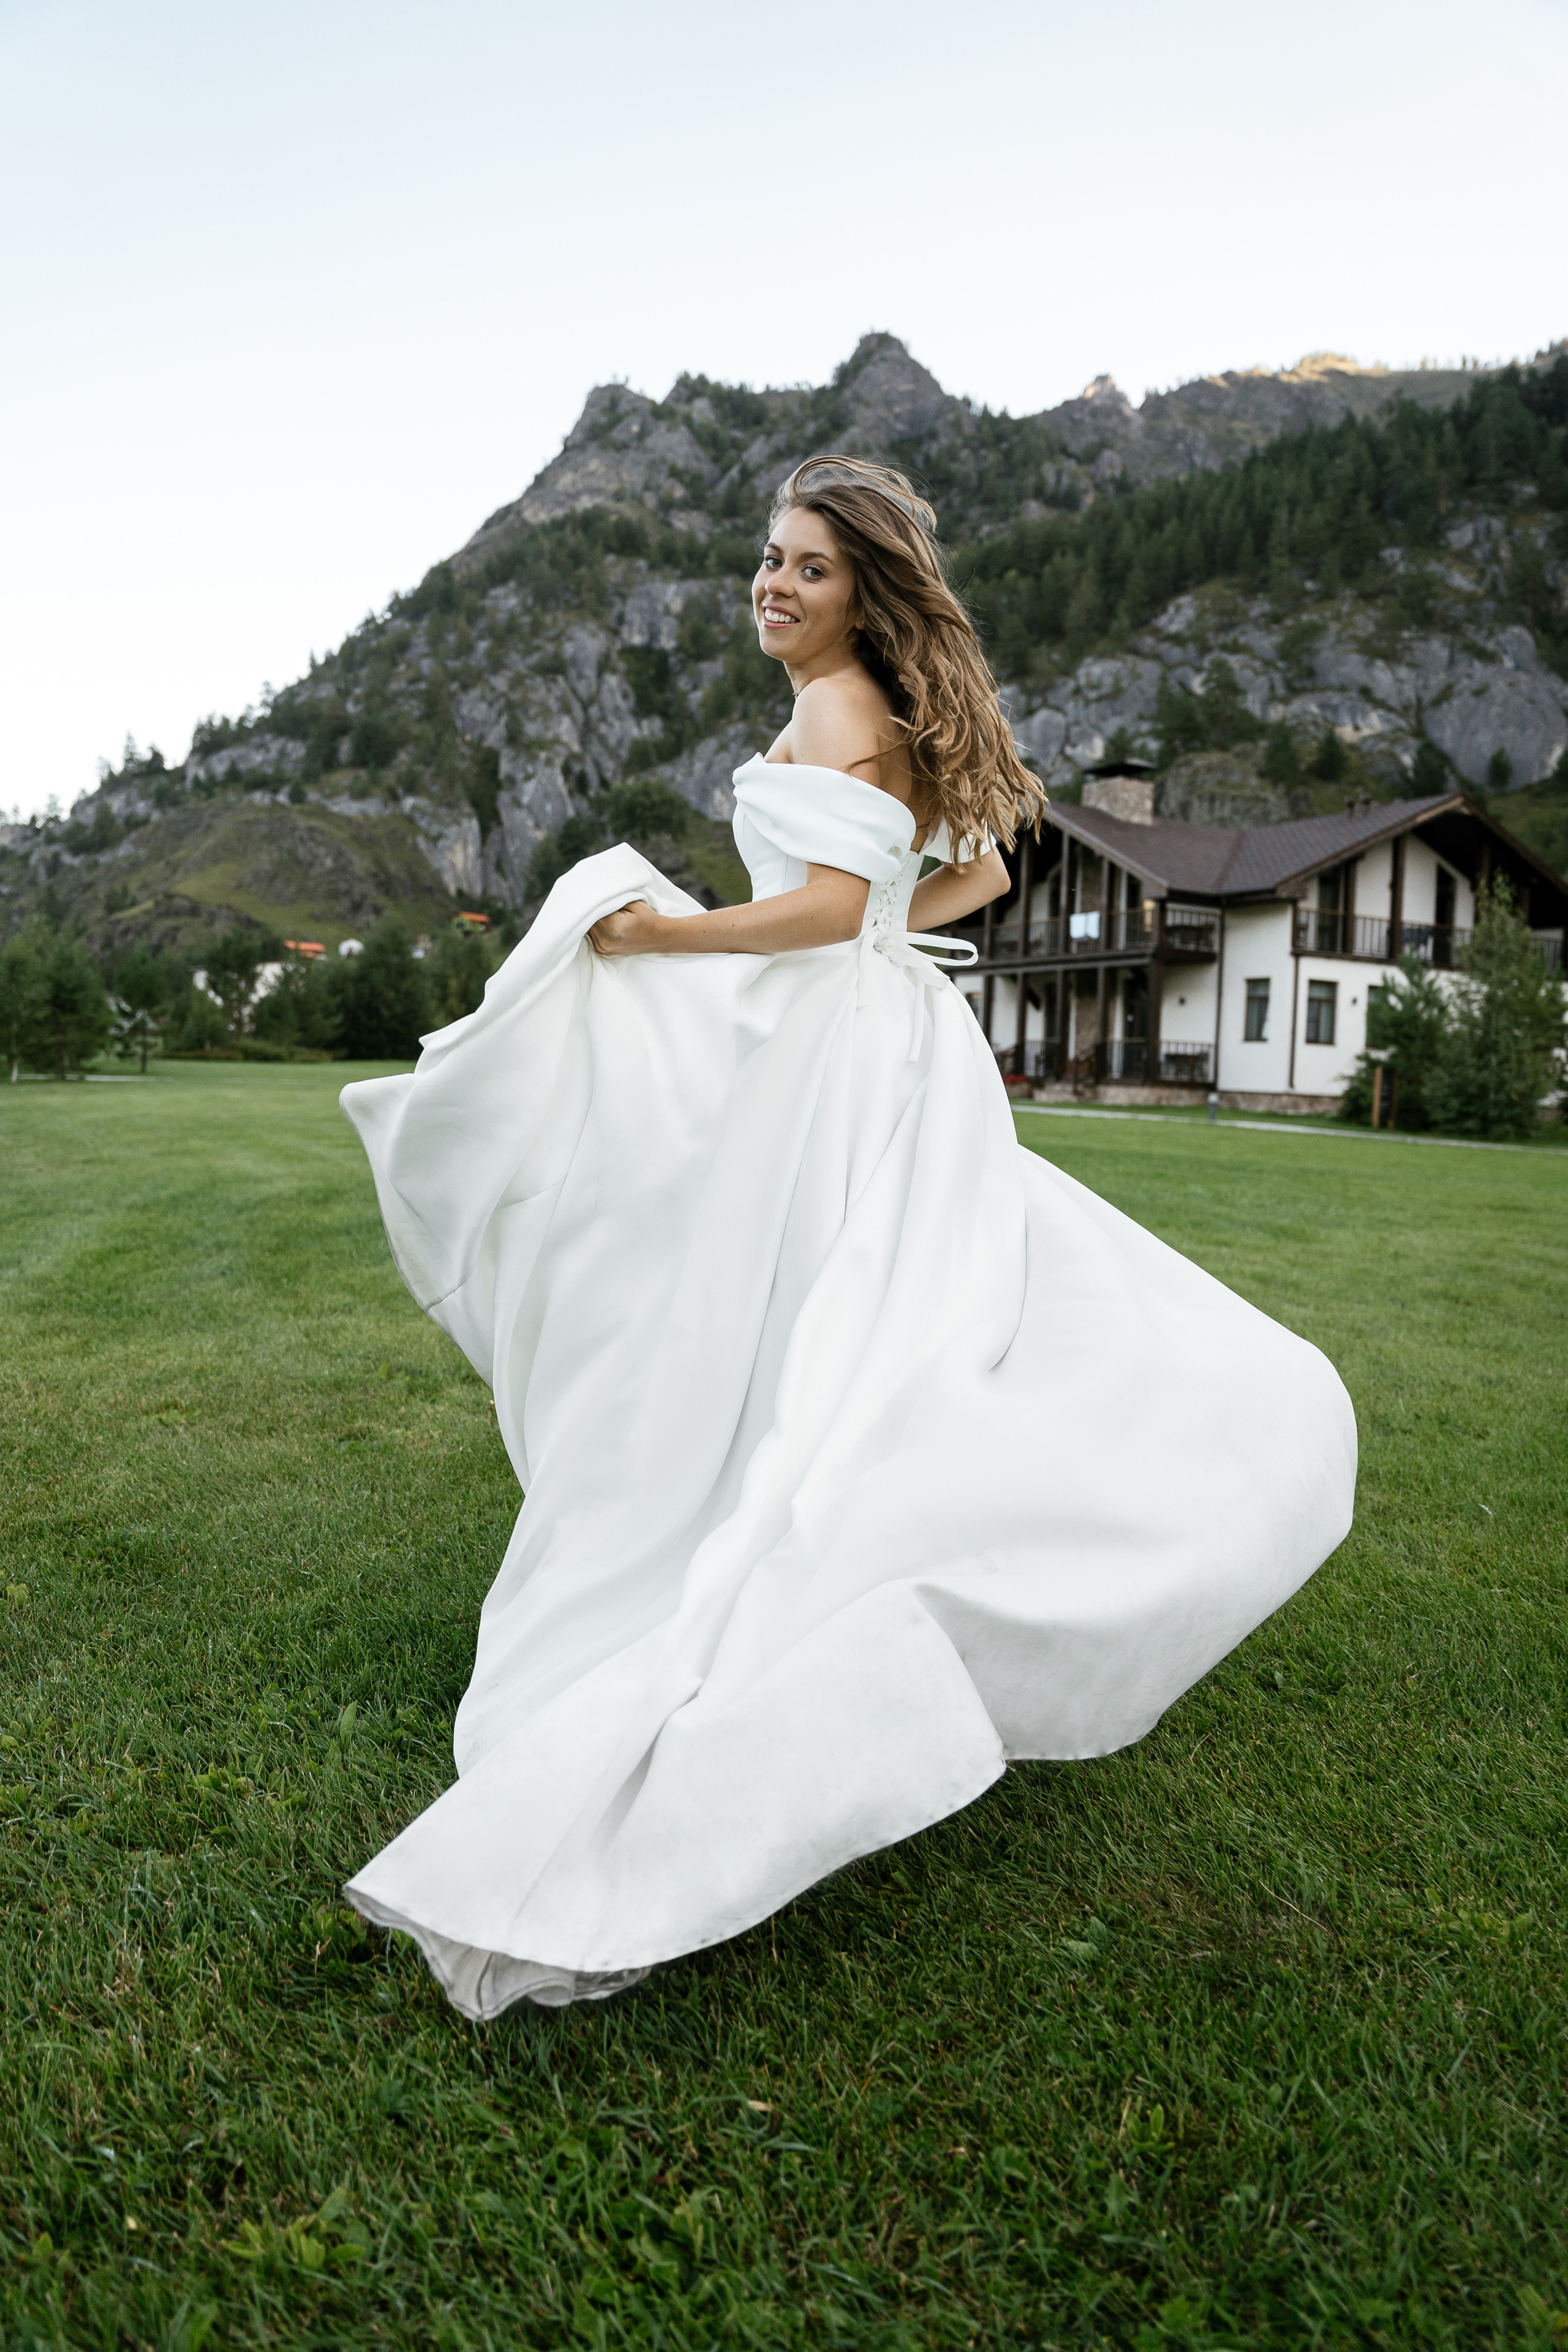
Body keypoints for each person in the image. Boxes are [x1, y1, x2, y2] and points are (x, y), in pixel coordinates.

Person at [339, 456, 1356, 2020]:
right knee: (882, 1313)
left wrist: (672, 935)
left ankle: (775, 1555)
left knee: (781, 1315)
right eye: (767, 558)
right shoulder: (895, 707)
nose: (773, 583)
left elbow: (820, 906)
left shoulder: (832, 710)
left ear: (864, 591)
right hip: (901, 1047)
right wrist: (885, 923)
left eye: (806, 566)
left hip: (825, 1046)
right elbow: (986, 870)